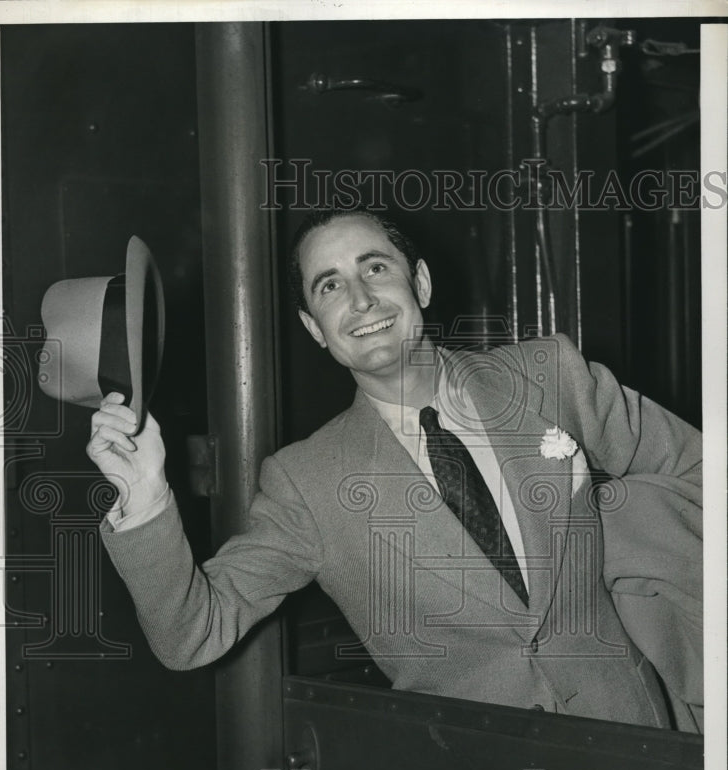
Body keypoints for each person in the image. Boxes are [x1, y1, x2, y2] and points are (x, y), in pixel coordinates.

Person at [88, 209, 703, 731]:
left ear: (422, 284)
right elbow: (193, 633)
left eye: (375, 267)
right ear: (315, 330)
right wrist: (145, 500)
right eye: (328, 286)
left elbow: (702, 472)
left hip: (636, 743)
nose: (359, 300)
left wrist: (628, 539)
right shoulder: (307, 481)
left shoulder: (550, 376)